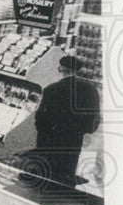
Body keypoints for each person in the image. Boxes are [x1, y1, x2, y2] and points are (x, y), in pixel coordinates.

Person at [32, 55, 101, 186]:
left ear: (60, 69)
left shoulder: (51, 89)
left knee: (46, 177)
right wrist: (82, 131)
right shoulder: (90, 90)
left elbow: (40, 118)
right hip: (73, 143)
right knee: (66, 179)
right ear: (78, 71)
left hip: (48, 143)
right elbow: (94, 120)